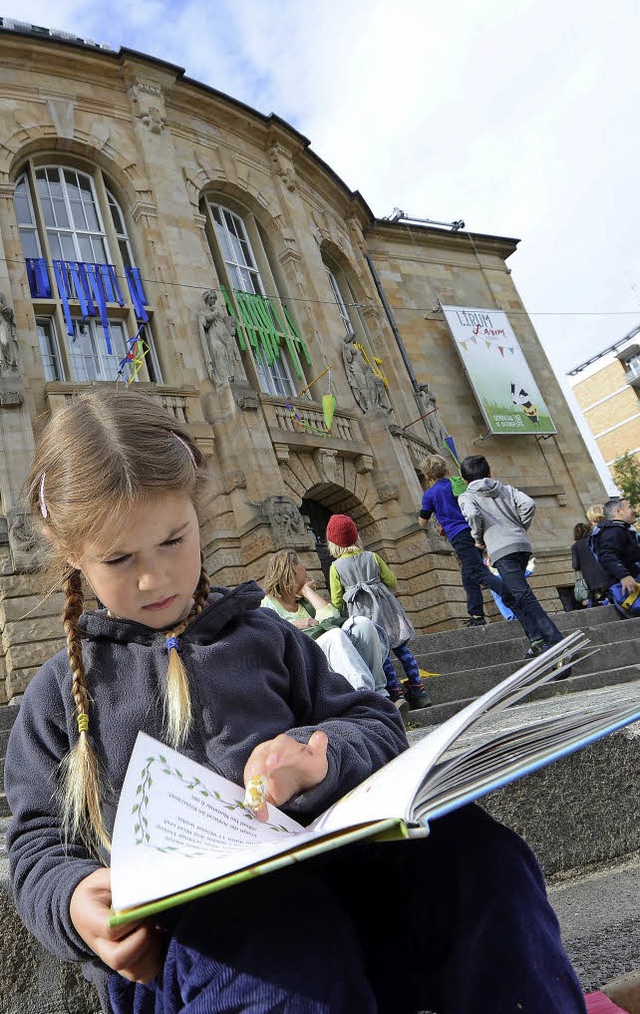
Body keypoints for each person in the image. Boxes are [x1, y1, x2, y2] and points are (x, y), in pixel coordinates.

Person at [4, 388, 587, 1014]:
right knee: (276, 927)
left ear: (198, 513)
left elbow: (371, 719)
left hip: (344, 894)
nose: (157, 577)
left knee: (479, 857)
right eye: (119, 559)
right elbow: (35, 843)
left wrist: (320, 758)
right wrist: (73, 899)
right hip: (196, 953)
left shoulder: (266, 636)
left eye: (174, 540)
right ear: (72, 554)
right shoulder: (62, 691)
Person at [260, 549, 404, 715]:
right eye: (302, 566)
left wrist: (308, 592)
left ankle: (380, 694)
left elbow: (332, 616)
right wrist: (296, 624)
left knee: (361, 624)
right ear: (293, 568)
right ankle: (364, 696)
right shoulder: (267, 603)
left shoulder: (305, 600)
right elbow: (267, 636)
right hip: (304, 657)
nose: (306, 571)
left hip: (334, 649)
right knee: (334, 635)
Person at [459, 455, 563, 658]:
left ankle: (555, 640)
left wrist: (478, 538)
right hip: (522, 546)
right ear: (489, 472)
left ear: (464, 480)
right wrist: (520, 527)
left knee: (523, 595)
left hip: (501, 551)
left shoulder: (466, 496)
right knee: (513, 594)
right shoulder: (507, 488)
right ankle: (536, 639)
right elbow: (529, 504)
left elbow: (472, 515)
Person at [325, 514, 429, 710]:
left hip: (363, 614)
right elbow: (391, 581)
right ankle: (419, 690)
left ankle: (395, 692)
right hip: (387, 610)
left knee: (381, 654)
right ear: (356, 537)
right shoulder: (373, 557)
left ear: (333, 543)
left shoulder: (335, 567)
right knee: (402, 649)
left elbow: (337, 599)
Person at [418, 454, 505, 627]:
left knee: (478, 572)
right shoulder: (457, 482)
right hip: (476, 531)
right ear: (446, 470)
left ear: (427, 476)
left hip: (459, 536)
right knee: (468, 575)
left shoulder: (430, 494)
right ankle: (476, 615)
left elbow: (423, 521)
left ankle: (514, 595)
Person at [590, 497, 640, 595]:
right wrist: (624, 576)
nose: (634, 511)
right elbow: (607, 556)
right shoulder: (614, 531)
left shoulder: (621, 530)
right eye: (630, 507)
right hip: (631, 587)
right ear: (618, 511)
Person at [571, 522, 608, 607]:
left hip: (590, 579)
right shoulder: (595, 539)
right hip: (604, 573)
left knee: (596, 599)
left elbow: (575, 565)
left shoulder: (575, 546)